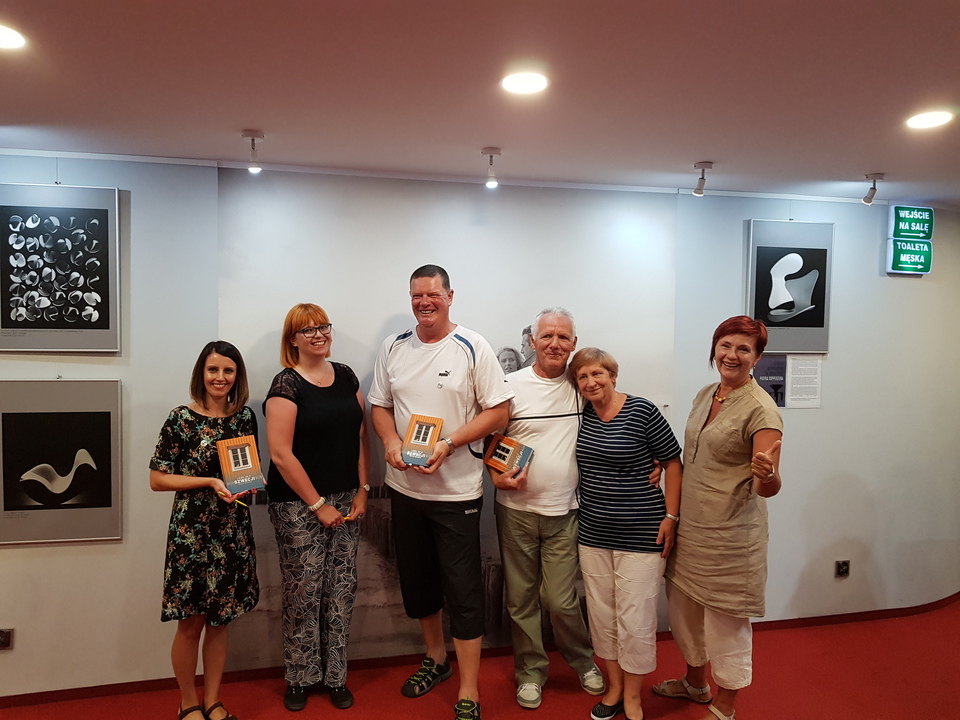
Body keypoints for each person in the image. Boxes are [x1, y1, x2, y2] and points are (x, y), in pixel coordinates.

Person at [369, 264, 513, 720]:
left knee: (464, 592)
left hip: (457, 494)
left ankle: (469, 688)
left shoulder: (472, 345)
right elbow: (379, 406)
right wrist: (391, 442)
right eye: (417, 295)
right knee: (418, 585)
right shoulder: (393, 346)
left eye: (433, 294)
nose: (424, 302)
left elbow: (500, 411)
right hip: (405, 489)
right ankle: (436, 659)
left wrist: (449, 444)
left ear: (450, 296)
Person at [652, 316, 783, 720]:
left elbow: (767, 486)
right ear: (715, 348)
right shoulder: (706, 393)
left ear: (756, 358)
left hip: (730, 536)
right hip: (692, 528)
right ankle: (695, 682)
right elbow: (694, 454)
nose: (732, 355)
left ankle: (725, 705)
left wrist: (768, 475)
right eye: (726, 345)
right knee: (685, 611)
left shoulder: (761, 409)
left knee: (726, 623)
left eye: (744, 349)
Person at [490, 308, 605, 710]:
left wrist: (653, 459)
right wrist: (496, 475)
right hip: (515, 511)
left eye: (563, 337)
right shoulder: (509, 385)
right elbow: (491, 440)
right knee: (521, 600)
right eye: (547, 336)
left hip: (565, 512)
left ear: (574, 343)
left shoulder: (582, 385)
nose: (555, 344)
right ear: (532, 341)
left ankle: (583, 661)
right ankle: (530, 673)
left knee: (560, 600)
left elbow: (615, 416)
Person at [263, 303, 369, 713]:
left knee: (341, 589)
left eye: (323, 326)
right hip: (298, 505)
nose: (318, 334)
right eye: (307, 330)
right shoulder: (286, 384)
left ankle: (335, 676)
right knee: (304, 591)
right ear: (293, 339)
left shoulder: (346, 375)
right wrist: (318, 504)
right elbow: (281, 454)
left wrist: (363, 489)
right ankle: (300, 676)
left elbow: (360, 437)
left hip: (346, 500)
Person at [568, 347, 682, 720]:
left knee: (636, 619)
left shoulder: (642, 411)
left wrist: (671, 516)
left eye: (597, 374)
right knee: (602, 616)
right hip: (594, 533)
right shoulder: (581, 414)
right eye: (583, 376)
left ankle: (633, 696)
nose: (591, 382)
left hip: (642, 533)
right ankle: (614, 688)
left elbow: (672, 463)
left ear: (613, 376)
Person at [149, 341, 259, 720]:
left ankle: (212, 700)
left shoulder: (244, 418)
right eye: (213, 370)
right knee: (190, 622)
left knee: (219, 621)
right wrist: (209, 482)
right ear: (202, 373)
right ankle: (188, 703)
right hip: (191, 534)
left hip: (231, 531)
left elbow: (245, 473)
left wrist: (245, 486)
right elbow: (157, 479)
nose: (220, 377)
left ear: (237, 376)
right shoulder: (180, 418)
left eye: (228, 370)